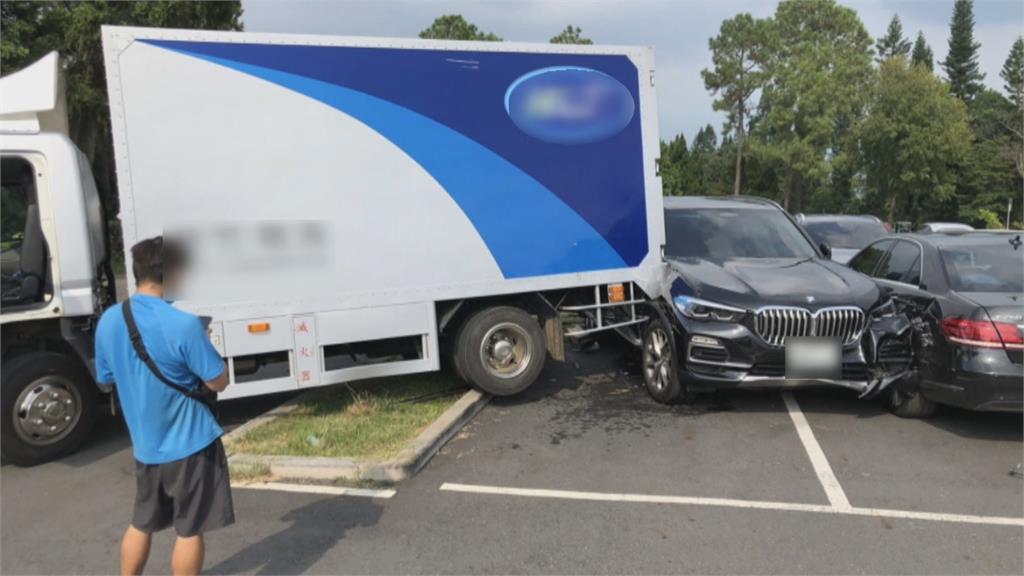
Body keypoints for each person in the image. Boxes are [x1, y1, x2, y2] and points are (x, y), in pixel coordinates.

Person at [95, 236, 233, 576]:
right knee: (189, 530)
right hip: (191, 445)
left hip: (146, 447)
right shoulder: (184, 324)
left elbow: (106, 377)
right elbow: (219, 381)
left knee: (140, 524)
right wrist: (206, 344)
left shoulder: (110, 320)